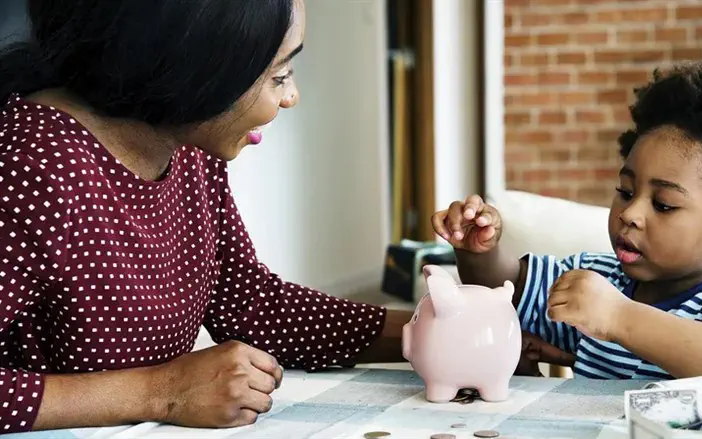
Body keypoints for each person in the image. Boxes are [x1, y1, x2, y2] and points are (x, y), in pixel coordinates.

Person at [0, 0, 572, 433]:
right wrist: (158, 393)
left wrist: (445, 333)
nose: (291, 96)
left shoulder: (185, 147)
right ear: (194, 67)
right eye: (277, 76)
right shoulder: (28, 166)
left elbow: (250, 303)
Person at [433, 58, 702, 405]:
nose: (630, 213)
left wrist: (619, 317)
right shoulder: (597, 277)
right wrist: (479, 250)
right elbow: (507, 291)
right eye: (626, 192)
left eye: (663, 204)